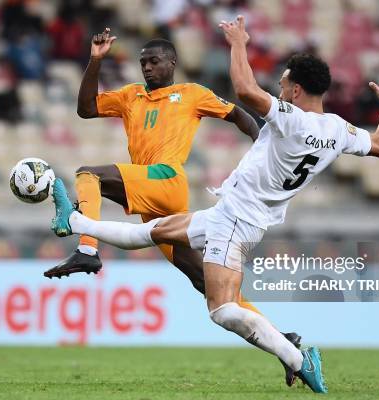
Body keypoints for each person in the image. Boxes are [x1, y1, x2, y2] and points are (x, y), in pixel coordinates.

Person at [47, 16, 379, 393]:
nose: (279, 88)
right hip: (233, 215)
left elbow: (246, 91)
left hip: (235, 218)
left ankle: (300, 359)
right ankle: (79, 225)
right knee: (146, 236)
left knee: (220, 309)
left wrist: (238, 42)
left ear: (296, 91)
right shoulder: (337, 129)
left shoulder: (291, 120)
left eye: (282, 83)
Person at [44, 28, 265, 317]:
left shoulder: (191, 94)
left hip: (167, 178)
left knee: (89, 175)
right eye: (143, 63)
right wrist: (95, 60)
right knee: (207, 283)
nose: (147, 67)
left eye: (154, 61)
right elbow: (86, 109)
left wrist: (262, 145)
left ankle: (87, 250)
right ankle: (285, 342)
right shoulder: (130, 95)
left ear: (172, 63)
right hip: (153, 198)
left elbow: (238, 114)